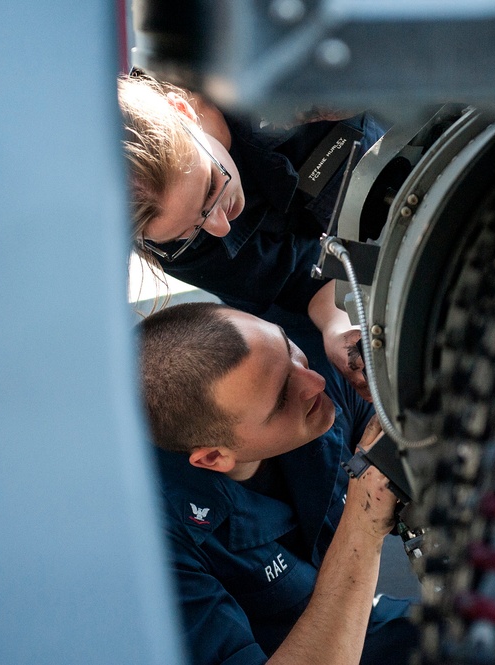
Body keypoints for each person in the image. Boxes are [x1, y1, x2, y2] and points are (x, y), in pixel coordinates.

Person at [138, 301, 419, 665]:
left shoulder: (298, 373)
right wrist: (363, 527)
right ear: (213, 457)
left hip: (365, 620)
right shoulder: (155, 553)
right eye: (283, 397)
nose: (314, 380)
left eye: (289, 349)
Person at [120, 71, 383, 400]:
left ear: (184, 111)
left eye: (211, 189)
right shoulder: (164, 241)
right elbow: (296, 283)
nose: (221, 226)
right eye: (191, 231)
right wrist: (338, 327)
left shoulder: (257, 66)